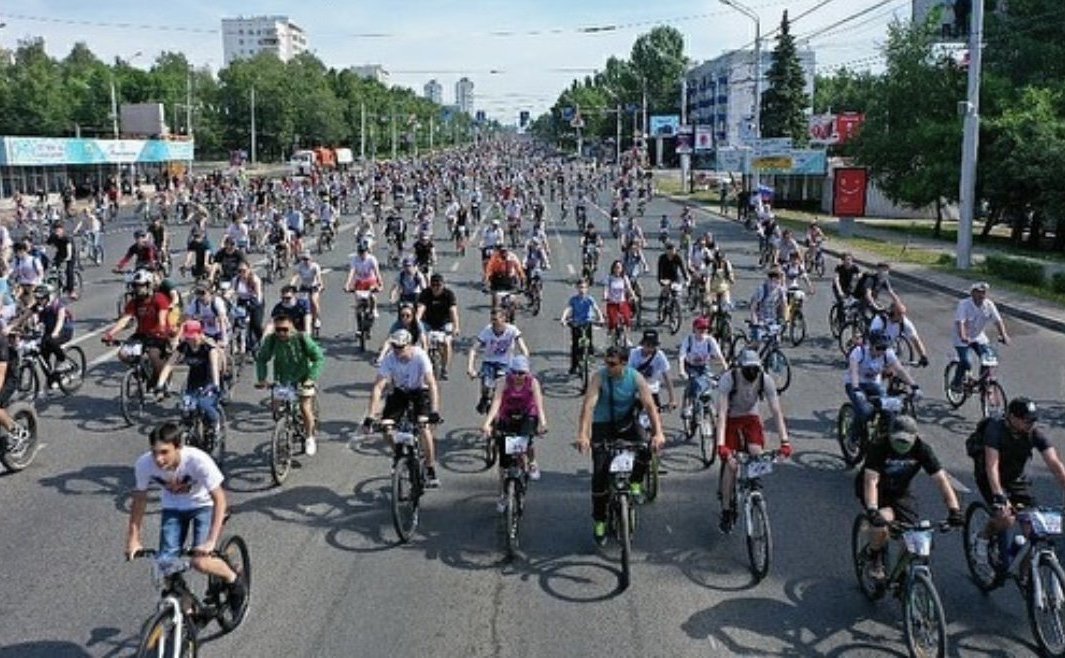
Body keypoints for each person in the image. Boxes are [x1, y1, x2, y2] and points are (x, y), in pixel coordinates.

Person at [125, 422, 246, 613]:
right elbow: (139, 501)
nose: (158, 459)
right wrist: (133, 540)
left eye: (164, 452)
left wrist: (211, 542)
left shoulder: (198, 461)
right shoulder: (144, 464)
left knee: (201, 562)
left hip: (203, 505)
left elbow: (220, 499)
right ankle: (187, 612)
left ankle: (233, 579)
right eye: (154, 452)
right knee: (166, 564)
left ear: (178, 447)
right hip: (173, 508)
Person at [576, 345, 666, 545]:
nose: (608, 367)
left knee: (646, 448)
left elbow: (650, 406)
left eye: (612, 364)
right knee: (600, 474)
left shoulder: (635, 378)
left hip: (626, 423)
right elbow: (588, 406)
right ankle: (599, 520)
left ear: (624, 363)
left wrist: (658, 433)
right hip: (603, 425)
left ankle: (635, 482)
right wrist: (583, 435)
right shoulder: (599, 377)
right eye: (606, 363)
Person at [858, 415, 964, 580]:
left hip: (901, 491)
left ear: (915, 437)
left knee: (912, 532)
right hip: (877, 491)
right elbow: (871, 480)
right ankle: (875, 557)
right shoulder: (879, 447)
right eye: (897, 440)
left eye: (906, 441)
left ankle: (902, 573)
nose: (901, 445)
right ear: (890, 435)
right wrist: (872, 510)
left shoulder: (922, 449)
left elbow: (941, 480)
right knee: (883, 522)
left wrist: (954, 510)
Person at [969, 397, 1065, 568]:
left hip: (1016, 479)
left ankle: (1027, 576)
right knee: (1006, 519)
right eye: (1027, 420)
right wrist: (999, 496)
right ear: (1012, 417)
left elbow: (1055, 464)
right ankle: (982, 538)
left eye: (1034, 420)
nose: (1031, 424)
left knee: (1035, 531)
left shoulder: (1034, 433)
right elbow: (992, 466)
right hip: (990, 477)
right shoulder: (995, 430)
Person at [715, 349, 790, 533]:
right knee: (731, 465)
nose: (752, 373)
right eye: (748, 369)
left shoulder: (765, 380)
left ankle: (753, 484)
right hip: (731, 418)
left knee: (757, 452)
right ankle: (726, 509)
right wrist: (721, 445)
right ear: (740, 367)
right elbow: (722, 414)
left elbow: (776, 411)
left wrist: (785, 441)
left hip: (750, 417)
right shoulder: (729, 379)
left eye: (755, 369)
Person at [363, 328, 443, 487]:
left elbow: (432, 383)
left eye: (401, 347)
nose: (397, 350)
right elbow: (378, 387)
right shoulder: (390, 358)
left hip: (420, 392)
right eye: (394, 346)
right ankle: (398, 453)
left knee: (423, 427)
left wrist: (434, 411)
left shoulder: (420, 356)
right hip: (400, 393)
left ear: (409, 345)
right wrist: (370, 416)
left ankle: (430, 468)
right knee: (386, 427)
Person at [482, 354, 548, 509]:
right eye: (516, 373)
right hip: (508, 416)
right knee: (504, 463)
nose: (519, 376)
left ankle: (531, 462)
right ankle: (503, 494)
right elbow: (496, 402)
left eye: (523, 373)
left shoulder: (532, 382)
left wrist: (543, 423)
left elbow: (539, 404)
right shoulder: (503, 382)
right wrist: (487, 423)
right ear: (511, 372)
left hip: (527, 415)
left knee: (526, 440)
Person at [255, 313, 325, 455]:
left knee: (305, 407)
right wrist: (262, 379)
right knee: (277, 409)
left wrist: (311, 378)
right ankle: (283, 429)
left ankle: (310, 437)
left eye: (285, 329)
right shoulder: (272, 340)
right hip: (283, 380)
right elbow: (262, 358)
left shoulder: (302, 338)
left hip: (303, 378)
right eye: (278, 329)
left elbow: (318, 358)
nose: (281, 333)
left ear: (292, 327)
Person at [843, 331, 921, 450]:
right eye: (878, 348)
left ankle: (884, 439)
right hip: (855, 384)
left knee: (890, 410)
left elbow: (900, 370)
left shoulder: (887, 354)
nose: (881, 351)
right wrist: (856, 389)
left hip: (873, 384)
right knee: (864, 411)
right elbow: (854, 371)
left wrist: (914, 386)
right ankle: (853, 438)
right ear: (870, 345)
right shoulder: (859, 352)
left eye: (884, 348)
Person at [103, 269, 172, 389]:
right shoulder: (134, 302)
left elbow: (162, 318)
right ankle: (140, 372)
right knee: (123, 354)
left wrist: (161, 329)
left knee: (153, 356)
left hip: (158, 335)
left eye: (140, 286)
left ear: (149, 285)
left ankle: (162, 381)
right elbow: (125, 320)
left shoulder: (159, 298)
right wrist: (110, 334)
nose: (137, 289)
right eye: (135, 286)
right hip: (142, 334)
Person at [156, 320, 223, 439]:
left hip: (209, 383)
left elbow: (214, 368)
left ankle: (215, 422)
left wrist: (215, 385)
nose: (190, 340)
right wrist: (160, 385)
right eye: (187, 337)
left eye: (192, 337)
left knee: (204, 405)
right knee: (186, 409)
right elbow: (169, 365)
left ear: (199, 333)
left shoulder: (209, 348)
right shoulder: (184, 347)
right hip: (193, 383)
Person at [950, 281, 1010, 392]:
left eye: (984, 292)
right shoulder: (964, 304)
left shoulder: (988, 304)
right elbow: (960, 322)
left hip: (978, 336)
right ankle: (956, 383)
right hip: (962, 338)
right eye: (979, 292)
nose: (982, 295)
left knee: (988, 359)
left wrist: (1003, 334)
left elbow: (998, 321)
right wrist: (963, 336)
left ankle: (983, 383)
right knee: (966, 362)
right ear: (972, 293)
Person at [467, 309, 530, 414]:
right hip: (489, 362)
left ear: (504, 319)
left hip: (505, 364)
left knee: (504, 386)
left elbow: (524, 349)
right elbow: (474, 349)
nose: (493, 322)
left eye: (496, 319)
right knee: (486, 385)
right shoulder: (487, 331)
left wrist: (524, 365)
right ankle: (484, 397)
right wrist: (470, 368)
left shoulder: (512, 330)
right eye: (492, 319)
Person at [678, 316, 729, 417]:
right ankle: (687, 406)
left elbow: (719, 356)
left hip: (704, 366)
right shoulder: (688, 340)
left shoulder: (710, 340)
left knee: (710, 384)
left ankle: (711, 407)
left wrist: (725, 368)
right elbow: (681, 356)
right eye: (700, 328)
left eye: (705, 329)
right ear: (694, 329)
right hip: (690, 366)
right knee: (694, 383)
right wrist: (681, 370)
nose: (702, 331)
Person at [415, 273, 461, 380]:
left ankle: (444, 368)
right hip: (428, 323)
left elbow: (453, 311)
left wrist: (456, 327)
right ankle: (422, 365)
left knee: (446, 342)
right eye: (433, 285)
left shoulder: (449, 294)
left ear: (443, 285)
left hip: (445, 323)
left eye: (438, 285)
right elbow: (420, 309)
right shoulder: (425, 293)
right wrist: (415, 323)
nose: (436, 288)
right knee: (421, 342)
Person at [559, 279, 605, 376]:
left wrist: (600, 318)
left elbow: (596, 309)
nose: (582, 290)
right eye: (580, 287)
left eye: (584, 287)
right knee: (575, 345)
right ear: (577, 288)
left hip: (587, 322)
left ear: (587, 289)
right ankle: (574, 365)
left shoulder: (589, 299)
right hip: (576, 323)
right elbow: (568, 309)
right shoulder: (574, 299)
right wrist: (563, 319)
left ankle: (590, 357)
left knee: (589, 341)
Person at [627, 330, 676, 412]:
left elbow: (667, 377)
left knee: (657, 417)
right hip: (636, 391)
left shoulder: (659, 356)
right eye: (648, 345)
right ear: (642, 344)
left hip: (652, 391)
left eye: (653, 345)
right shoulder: (634, 353)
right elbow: (629, 374)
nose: (650, 348)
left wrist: (672, 399)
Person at [869, 302, 930, 367]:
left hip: (889, 347)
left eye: (903, 314)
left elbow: (915, 339)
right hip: (877, 347)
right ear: (891, 313)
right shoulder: (879, 320)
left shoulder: (904, 322)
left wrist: (923, 356)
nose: (902, 317)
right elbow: (873, 342)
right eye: (899, 314)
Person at [748, 268, 787, 345]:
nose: (775, 283)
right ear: (769, 279)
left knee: (776, 342)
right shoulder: (761, 290)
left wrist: (785, 319)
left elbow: (784, 305)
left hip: (773, 319)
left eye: (778, 280)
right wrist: (755, 322)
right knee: (757, 342)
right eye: (773, 280)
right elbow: (753, 308)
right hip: (760, 320)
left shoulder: (780, 291)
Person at [344, 240, 382, 319]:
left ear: (367, 251)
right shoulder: (355, 259)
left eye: (364, 252)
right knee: (358, 299)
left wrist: (380, 284)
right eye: (360, 252)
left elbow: (377, 272)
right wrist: (347, 285)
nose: (362, 254)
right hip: (360, 281)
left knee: (372, 295)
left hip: (370, 280)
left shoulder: (372, 259)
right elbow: (351, 272)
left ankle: (374, 308)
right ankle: (359, 322)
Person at [603, 260, 636, 347]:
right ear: (613, 268)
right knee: (613, 322)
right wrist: (606, 296)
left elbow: (629, 288)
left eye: (619, 267)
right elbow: (606, 289)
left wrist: (633, 296)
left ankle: (627, 338)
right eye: (616, 267)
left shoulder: (624, 278)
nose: (617, 269)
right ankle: (613, 341)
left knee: (627, 319)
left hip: (622, 303)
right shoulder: (609, 278)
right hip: (612, 303)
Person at [290, 250, 324, 332]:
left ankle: (316, 319)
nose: (306, 261)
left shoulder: (315, 266)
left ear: (311, 259)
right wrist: (291, 285)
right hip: (304, 287)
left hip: (314, 287)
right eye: (304, 259)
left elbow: (319, 277)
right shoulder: (300, 266)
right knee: (299, 302)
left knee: (314, 301)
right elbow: (295, 277)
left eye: (307, 259)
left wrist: (320, 285)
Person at [45, 222, 77, 299]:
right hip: (60, 254)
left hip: (70, 254)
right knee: (55, 269)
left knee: (69, 271)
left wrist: (68, 257)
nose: (57, 232)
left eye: (58, 231)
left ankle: (71, 291)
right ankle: (60, 285)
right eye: (55, 231)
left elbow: (69, 248)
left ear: (62, 230)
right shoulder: (53, 237)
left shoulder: (66, 237)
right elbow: (47, 244)